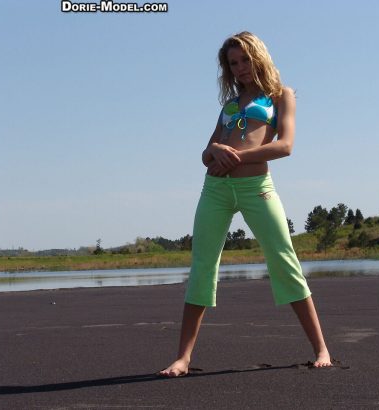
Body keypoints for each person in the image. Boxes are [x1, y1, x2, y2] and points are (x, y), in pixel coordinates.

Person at [159, 31, 331, 377]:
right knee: (202, 267)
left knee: (284, 260)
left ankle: (321, 349)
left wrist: (235, 156)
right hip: (216, 190)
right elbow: (206, 154)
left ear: (259, 57)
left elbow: (285, 146)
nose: (239, 68)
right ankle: (183, 358)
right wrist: (215, 150)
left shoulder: (281, 95)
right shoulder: (229, 105)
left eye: (245, 60)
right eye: (233, 63)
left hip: (257, 188)